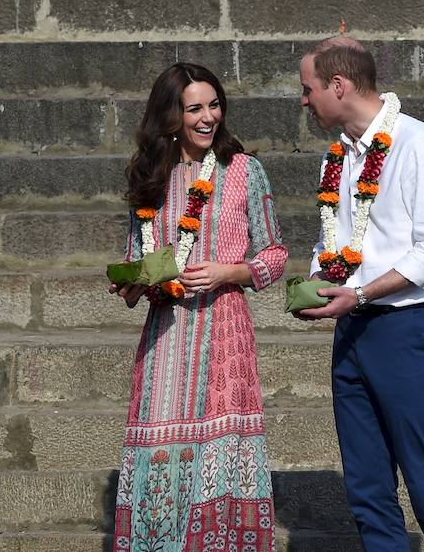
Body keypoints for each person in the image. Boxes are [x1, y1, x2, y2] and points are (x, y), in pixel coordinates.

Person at [295, 37, 424, 551]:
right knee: (367, 488)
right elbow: (334, 237)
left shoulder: (418, 144)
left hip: (406, 328)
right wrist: (318, 283)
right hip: (353, 330)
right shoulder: (338, 157)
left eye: (308, 90)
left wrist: (362, 294)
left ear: (338, 85)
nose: (304, 101)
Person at [108, 63, 287, 551]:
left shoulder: (244, 170)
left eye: (214, 105)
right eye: (194, 108)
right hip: (165, 337)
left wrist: (229, 272)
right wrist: (132, 283)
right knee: (160, 455)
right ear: (170, 117)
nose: (208, 117)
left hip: (225, 333)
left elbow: (274, 254)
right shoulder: (149, 176)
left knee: (221, 456)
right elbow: (136, 256)